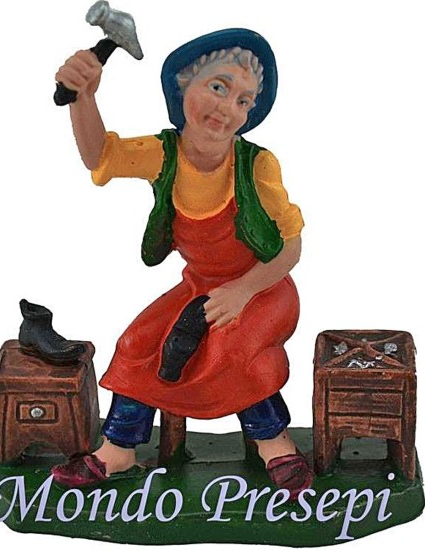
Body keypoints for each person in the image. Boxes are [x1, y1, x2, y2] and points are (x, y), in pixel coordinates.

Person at [52, 28, 311, 499]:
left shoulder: (256, 166)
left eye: (243, 101)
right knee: (137, 342)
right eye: (219, 87)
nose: (228, 108)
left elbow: (291, 246)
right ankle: (120, 447)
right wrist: (82, 98)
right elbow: (100, 155)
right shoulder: (162, 154)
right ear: (182, 86)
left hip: (265, 289)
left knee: (227, 346)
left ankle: (275, 444)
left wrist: (243, 291)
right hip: (200, 285)